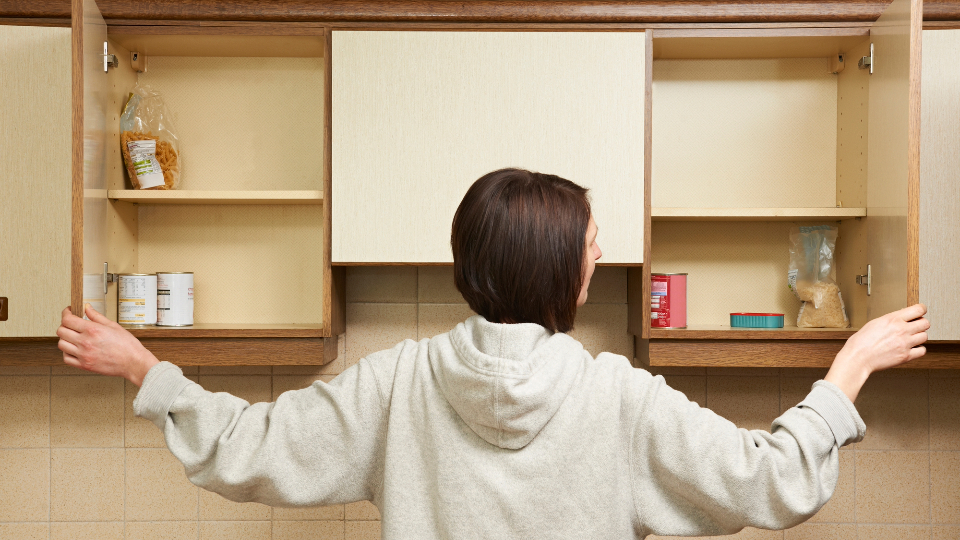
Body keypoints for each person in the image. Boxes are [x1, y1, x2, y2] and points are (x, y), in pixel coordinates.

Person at [57, 168, 929, 539]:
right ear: (562, 268)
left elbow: (250, 446)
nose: (597, 256)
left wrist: (145, 368)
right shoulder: (617, 395)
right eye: (591, 242)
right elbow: (766, 479)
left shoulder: (398, 382)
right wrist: (849, 366)